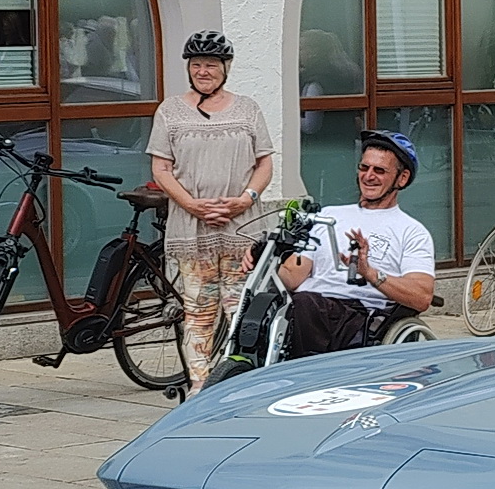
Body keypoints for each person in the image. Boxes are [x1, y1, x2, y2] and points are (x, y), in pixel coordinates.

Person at [147, 32, 274, 392]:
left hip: (240, 228)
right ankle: (200, 390)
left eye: (212, 65)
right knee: (199, 313)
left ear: (226, 69)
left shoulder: (247, 108)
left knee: (241, 313)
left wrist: (245, 199)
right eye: (197, 65)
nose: (204, 71)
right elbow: (160, 169)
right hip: (193, 228)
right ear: (188, 68)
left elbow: (264, 163)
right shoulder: (170, 111)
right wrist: (191, 205)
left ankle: (242, 386)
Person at [274, 130, 436, 356]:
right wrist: (266, 257)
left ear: (402, 178)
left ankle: (304, 374)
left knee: (305, 304)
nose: (368, 176)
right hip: (306, 309)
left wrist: (369, 273)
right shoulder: (328, 216)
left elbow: (421, 297)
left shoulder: (412, 231)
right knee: (274, 304)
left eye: (379, 170)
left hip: (359, 317)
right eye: (364, 167)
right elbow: (292, 276)